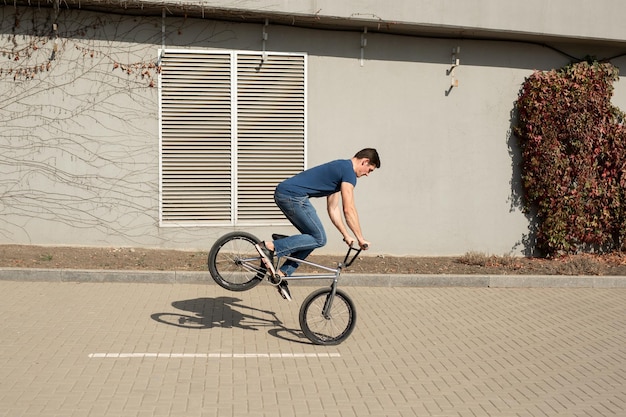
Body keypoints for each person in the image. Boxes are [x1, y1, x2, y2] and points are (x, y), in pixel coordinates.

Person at [255, 148, 381, 301]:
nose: (367, 174)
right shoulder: (348, 172)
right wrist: (360, 238)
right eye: (369, 170)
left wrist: (346, 235)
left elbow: (333, 209)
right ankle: (270, 246)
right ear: (365, 161)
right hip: (292, 196)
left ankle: (281, 275)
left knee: (314, 238)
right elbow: (349, 209)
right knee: (319, 238)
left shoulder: (341, 169)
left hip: (291, 195)